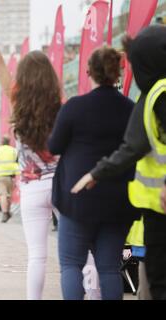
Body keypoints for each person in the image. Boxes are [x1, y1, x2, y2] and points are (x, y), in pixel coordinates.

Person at [72, 25, 166, 300]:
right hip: (154, 208)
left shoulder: (160, 95)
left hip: (161, 206)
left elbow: (132, 147)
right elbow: (134, 147)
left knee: (160, 281)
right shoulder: (152, 96)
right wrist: (97, 173)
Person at [0, 3, 61, 298]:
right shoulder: (60, 102)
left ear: (23, 75)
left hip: (32, 189)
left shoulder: (16, 98)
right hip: (61, 184)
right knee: (81, 251)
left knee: (37, 256)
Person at [48, 46, 140, 300]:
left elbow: (54, 146)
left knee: (71, 265)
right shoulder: (131, 109)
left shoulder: (75, 107)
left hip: (78, 198)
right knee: (109, 267)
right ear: (118, 73)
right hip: (118, 199)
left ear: (89, 72)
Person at [0, 136, 18, 223]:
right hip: (11, 175)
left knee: (2, 195)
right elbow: (18, 161)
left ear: (1, 142)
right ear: (9, 142)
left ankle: (5, 212)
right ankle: (8, 211)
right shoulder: (14, 150)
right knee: (8, 195)